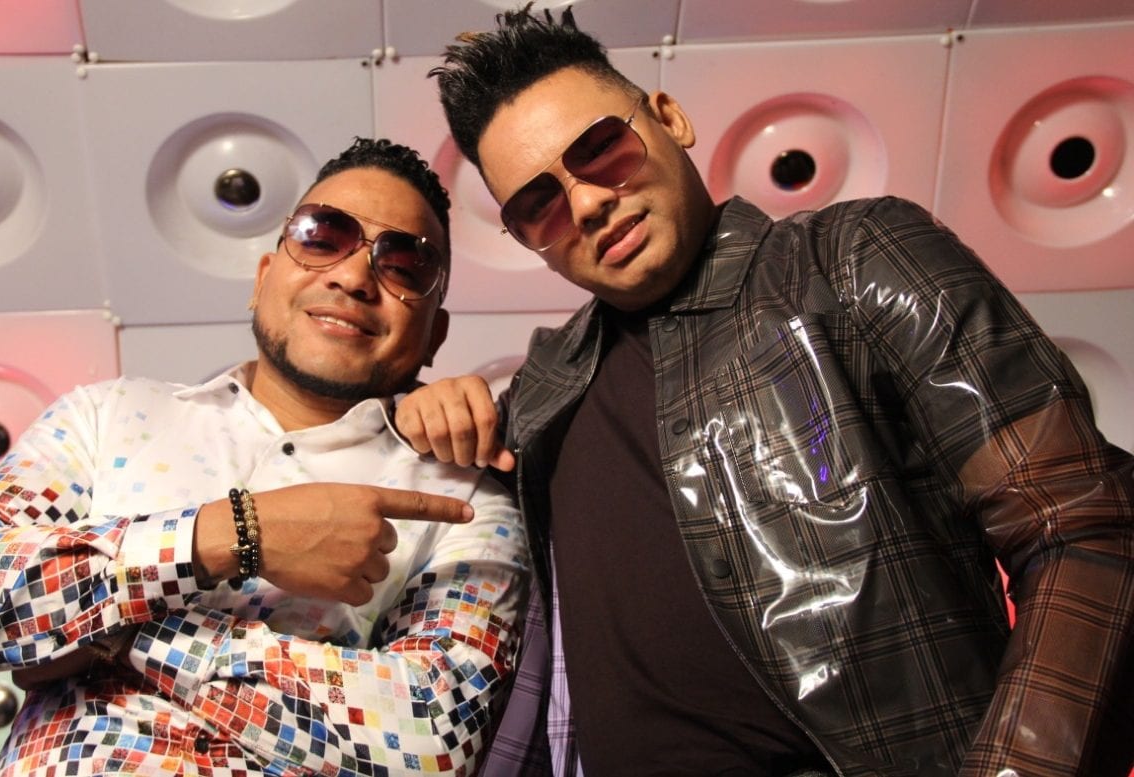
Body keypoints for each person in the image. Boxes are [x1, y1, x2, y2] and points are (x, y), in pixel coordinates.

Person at [394, 6, 1134, 776]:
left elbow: (1083, 523)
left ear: (670, 119)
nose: (585, 203)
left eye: (601, 149)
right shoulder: (543, 391)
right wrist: (419, 405)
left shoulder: (850, 258)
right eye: (537, 203)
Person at [0, 137, 529, 776]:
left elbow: (433, 738)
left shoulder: (461, 496)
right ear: (264, 277)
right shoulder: (106, 416)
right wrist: (230, 535)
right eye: (321, 236)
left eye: (404, 266)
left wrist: (116, 634)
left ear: (435, 333)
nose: (354, 276)